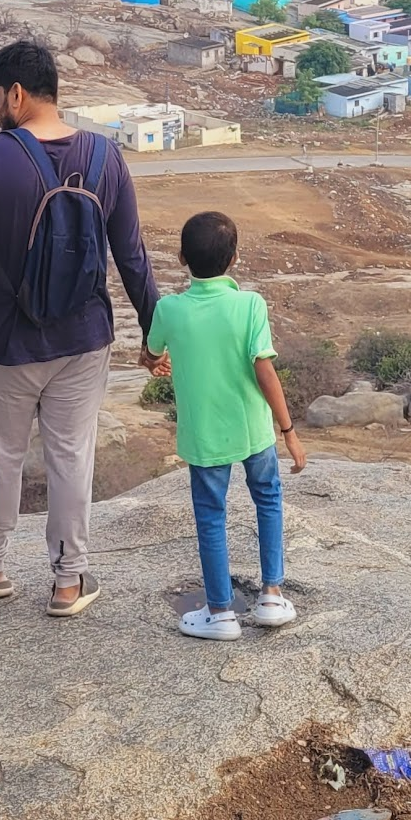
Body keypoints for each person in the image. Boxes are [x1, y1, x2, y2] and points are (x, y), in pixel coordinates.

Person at [0, 40, 159, 617]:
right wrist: (153, 336)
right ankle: (68, 583)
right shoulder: (105, 157)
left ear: (16, 93)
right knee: (71, 459)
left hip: (6, 347)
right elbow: (132, 255)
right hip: (84, 342)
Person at [142, 211, 307, 642]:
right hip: (254, 430)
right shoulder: (250, 305)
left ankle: (220, 613)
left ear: (180, 257)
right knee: (267, 500)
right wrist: (288, 430)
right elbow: (264, 369)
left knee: (210, 517)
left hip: (204, 436)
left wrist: (153, 361)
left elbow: (152, 352)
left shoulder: (169, 309)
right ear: (234, 259)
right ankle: (271, 594)